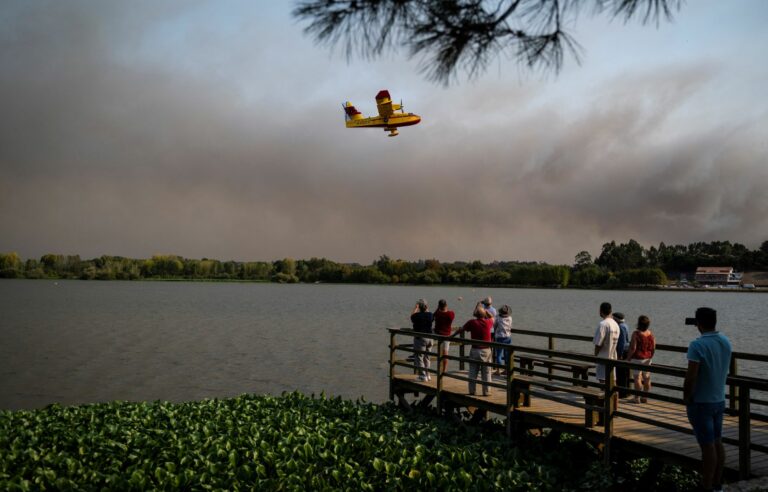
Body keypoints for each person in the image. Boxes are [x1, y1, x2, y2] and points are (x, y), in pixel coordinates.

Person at [683, 307, 732, 492]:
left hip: (701, 402)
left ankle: (707, 486)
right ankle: (718, 484)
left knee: (707, 446)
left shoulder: (697, 345)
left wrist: (687, 396)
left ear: (698, 323)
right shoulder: (725, 341)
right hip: (719, 400)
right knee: (717, 441)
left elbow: (691, 377)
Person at [451, 302, 494, 396]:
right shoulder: (488, 322)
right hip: (486, 350)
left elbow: (461, 329)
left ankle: (472, 391)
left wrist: (452, 336)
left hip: (475, 350)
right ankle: (486, 392)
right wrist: (486, 311)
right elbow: (492, 317)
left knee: (473, 372)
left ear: (476, 315)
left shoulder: (472, 322)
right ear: (484, 315)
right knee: (486, 372)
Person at [625, 315, 655, 404]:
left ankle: (637, 398)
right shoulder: (650, 334)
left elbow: (633, 348)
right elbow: (653, 347)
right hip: (647, 358)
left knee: (637, 378)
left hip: (637, 358)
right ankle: (644, 397)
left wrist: (628, 358)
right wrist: (650, 356)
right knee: (647, 378)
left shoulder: (636, 333)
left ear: (639, 323)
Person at [593, 302, 620, 384]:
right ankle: (615, 397)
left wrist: (595, 356)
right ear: (611, 311)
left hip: (603, 357)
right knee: (613, 381)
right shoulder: (615, 324)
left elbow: (598, 343)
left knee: (603, 381)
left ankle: (605, 397)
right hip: (613, 357)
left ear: (600, 311)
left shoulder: (603, 324)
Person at [410, 299, 434, 382]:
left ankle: (422, 376)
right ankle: (428, 375)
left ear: (419, 307)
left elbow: (411, 316)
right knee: (427, 357)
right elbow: (429, 315)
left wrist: (415, 308)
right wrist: (426, 307)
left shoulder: (416, 316)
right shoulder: (430, 315)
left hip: (420, 339)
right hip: (430, 338)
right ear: (426, 307)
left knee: (419, 357)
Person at [433, 299, 455, 374]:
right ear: (446, 305)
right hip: (446, 336)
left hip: (437, 334)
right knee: (445, 353)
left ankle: (438, 369)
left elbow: (433, 315)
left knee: (438, 352)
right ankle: (444, 370)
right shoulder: (450, 314)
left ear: (439, 306)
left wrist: (438, 308)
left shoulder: (437, 314)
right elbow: (449, 312)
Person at [613, 312, 631, 398]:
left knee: (621, 373)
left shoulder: (620, 327)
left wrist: (619, 355)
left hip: (623, 351)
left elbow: (622, 342)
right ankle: (627, 391)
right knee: (625, 372)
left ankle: (622, 393)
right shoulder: (625, 325)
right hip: (627, 350)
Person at [493, 305, 513, 375]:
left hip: (499, 337)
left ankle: (498, 370)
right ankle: (506, 370)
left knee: (499, 354)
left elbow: (494, 326)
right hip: (508, 337)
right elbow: (510, 327)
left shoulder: (498, 318)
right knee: (507, 354)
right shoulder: (510, 318)